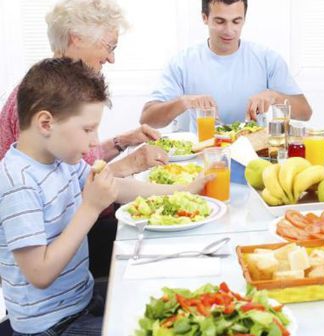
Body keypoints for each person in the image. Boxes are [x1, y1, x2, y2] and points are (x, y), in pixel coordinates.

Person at [0, 58, 211, 335]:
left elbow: (117, 187)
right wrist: (90, 207)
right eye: (88, 129)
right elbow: (39, 274)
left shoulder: (61, 159)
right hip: (51, 325)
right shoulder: (19, 182)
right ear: (45, 123)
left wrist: (183, 190)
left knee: (168, 300)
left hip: (81, 300)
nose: (94, 141)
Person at [0, 0, 168, 178]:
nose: (111, 58)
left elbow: (80, 164)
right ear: (76, 38)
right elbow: (60, 190)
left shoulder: (65, 88)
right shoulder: (41, 99)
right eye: (109, 47)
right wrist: (129, 164)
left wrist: (122, 141)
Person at [141, 0, 312, 131]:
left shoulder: (267, 58)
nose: (229, 31)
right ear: (205, 18)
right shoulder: (182, 62)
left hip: (255, 152)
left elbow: (305, 113)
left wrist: (275, 97)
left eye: (236, 21)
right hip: (203, 153)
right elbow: (147, 118)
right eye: (220, 21)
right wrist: (184, 102)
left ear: (244, 19)